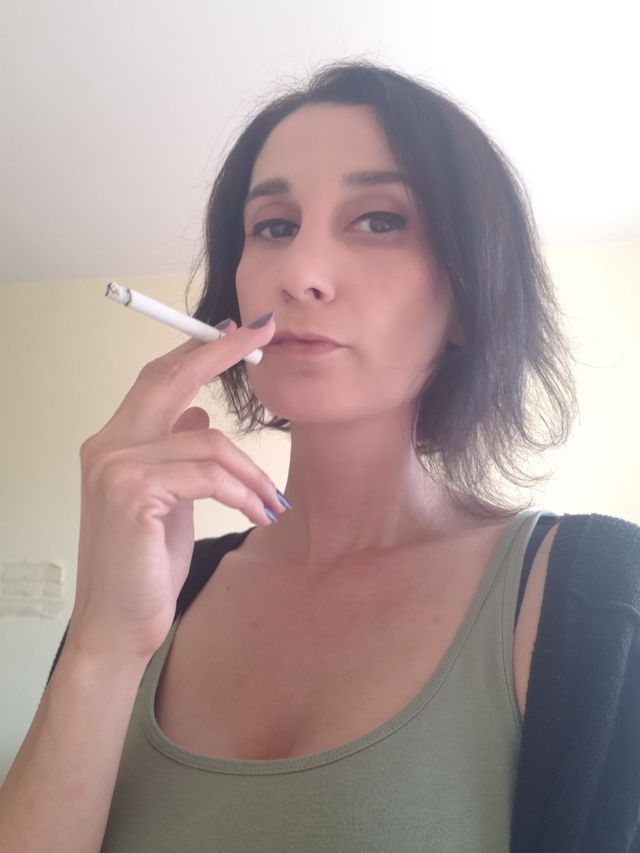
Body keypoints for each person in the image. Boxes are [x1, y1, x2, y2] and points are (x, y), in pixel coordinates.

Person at [1, 61, 638, 853]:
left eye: (379, 220)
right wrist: (100, 644)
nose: (299, 274)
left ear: (468, 297)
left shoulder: (596, 594)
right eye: (273, 226)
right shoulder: (158, 591)